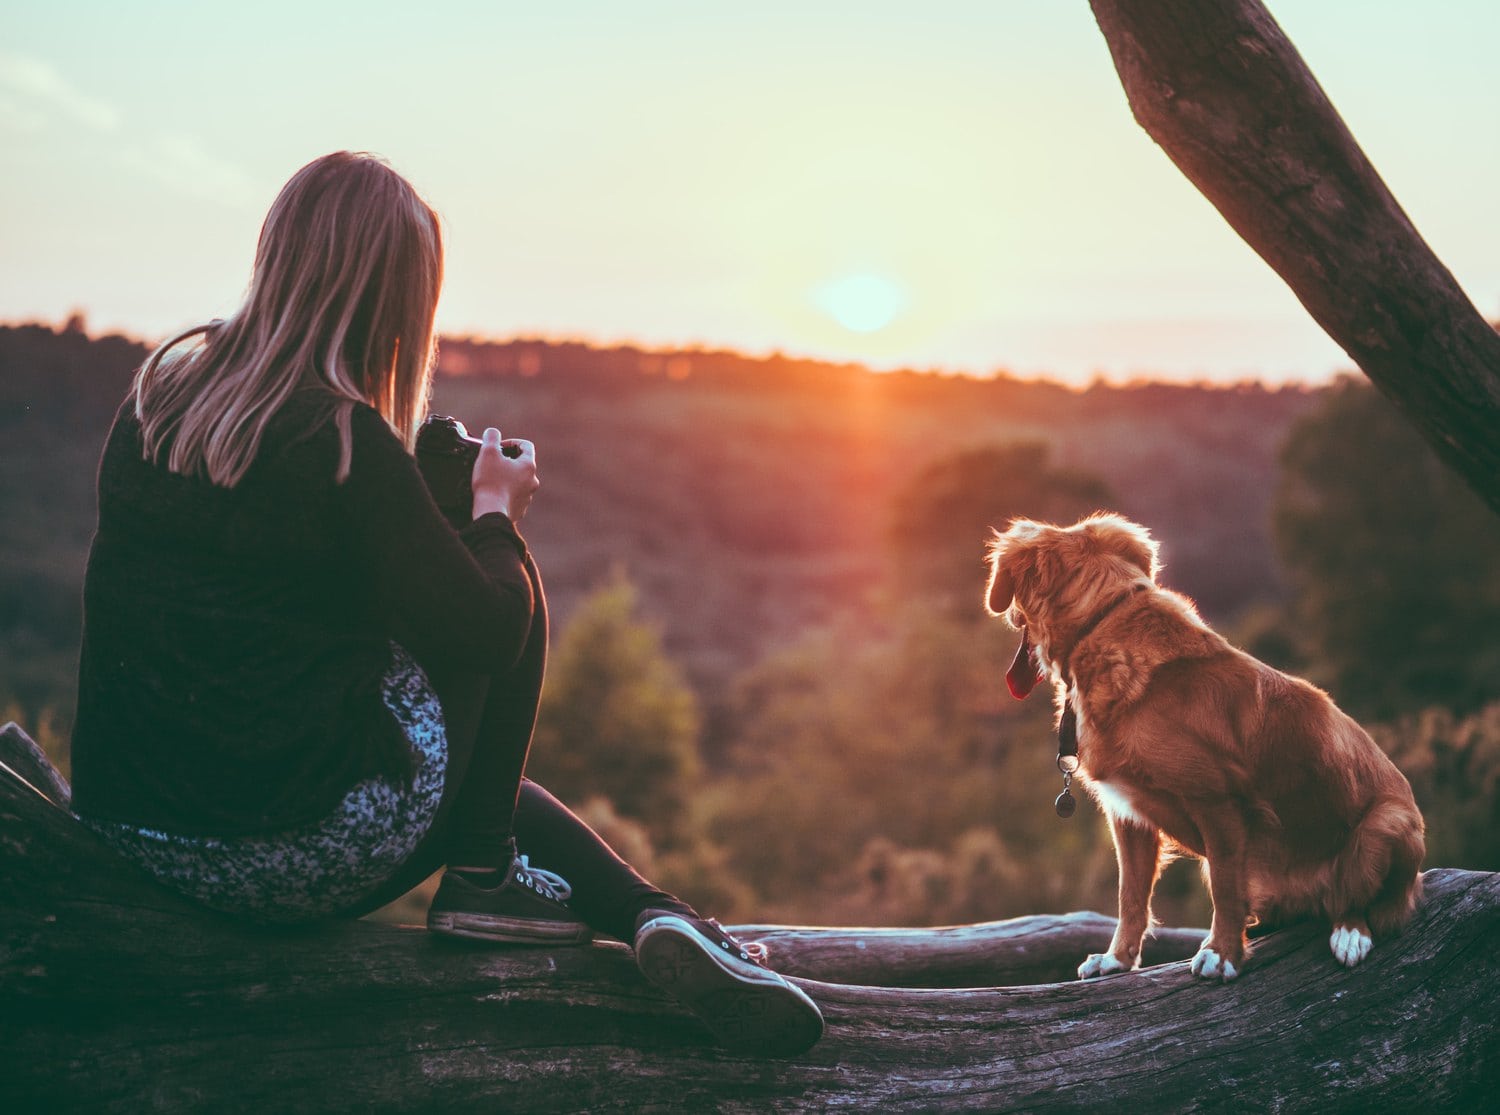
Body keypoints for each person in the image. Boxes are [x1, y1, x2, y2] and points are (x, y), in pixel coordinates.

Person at [67, 151, 822, 1058]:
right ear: (392, 298)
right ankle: (491, 879)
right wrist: (493, 514)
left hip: (127, 830)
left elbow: (273, 564)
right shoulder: (345, 438)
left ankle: (651, 915)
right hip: (285, 861)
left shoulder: (156, 401)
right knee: (510, 592)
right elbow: (484, 632)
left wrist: (414, 493)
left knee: (487, 796)